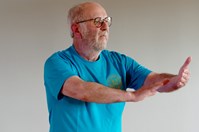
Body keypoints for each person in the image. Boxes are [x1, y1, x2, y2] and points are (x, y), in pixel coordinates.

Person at [44, 2, 191, 132]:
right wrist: (131, 96)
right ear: (76, 30)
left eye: (107, 21)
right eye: (98, 21)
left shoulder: (120, 62)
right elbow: (80, 90)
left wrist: (174, 80)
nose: (105, 27)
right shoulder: (57, 62)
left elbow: (154, 80)